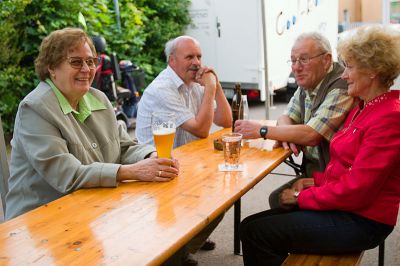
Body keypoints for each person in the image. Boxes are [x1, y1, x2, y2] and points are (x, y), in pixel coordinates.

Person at [240, 25, 400, 266]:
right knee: (251, 225)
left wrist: (300, 196)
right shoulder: (363, 106)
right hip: (350, 209)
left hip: (363, 221)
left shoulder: (388, 116)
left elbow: (357, 189)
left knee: (257, 233)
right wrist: (317, 181)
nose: (344, 74)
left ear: (373, 71)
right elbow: (346, 169)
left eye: (350, 66)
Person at [5, 27, 179, 220]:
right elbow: (66, 174)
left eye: (91, 61)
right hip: (38, 223)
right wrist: (131, 171)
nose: (87, 69)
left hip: (91, 209)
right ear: (52, 68)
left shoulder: (99, 98)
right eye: (76, 62)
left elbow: (123, 147)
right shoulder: (35, 108)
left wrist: (153, 156)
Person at [136, 36, 232, 266]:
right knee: (214, 197)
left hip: (187, 161)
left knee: (223, 196)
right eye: (189, 57)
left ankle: (187, 242)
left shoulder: (193, 84)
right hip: (157, 166)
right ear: (172, 61)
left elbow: (227, 121)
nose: (197, 62)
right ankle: (179, 252)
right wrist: (208, 89)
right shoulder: (162, 89)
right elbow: (201, 130)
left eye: (199, 56)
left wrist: (215, 86)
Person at [234, 32, 355, 208]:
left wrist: (262, 130)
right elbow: (286, 116)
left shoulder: (341, 85)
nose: (296, 67)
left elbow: (312, 135)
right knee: (277, 199)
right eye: (293, 60)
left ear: (326, 60)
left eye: (304, 60)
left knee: (277, 202)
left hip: (335, 179)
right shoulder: (310, 81)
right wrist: (287, 135)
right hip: (317, 171)